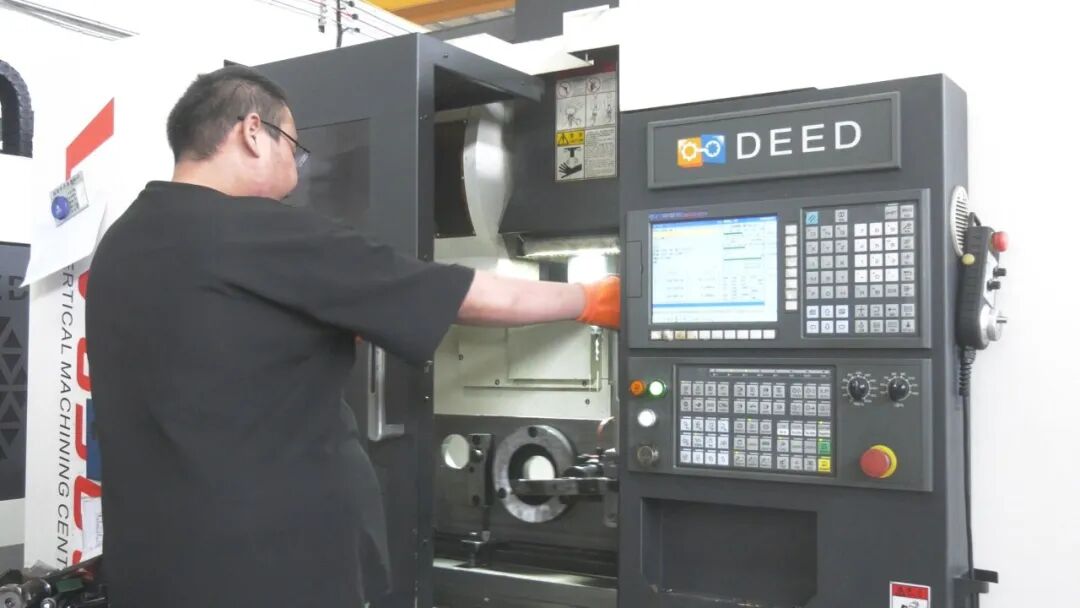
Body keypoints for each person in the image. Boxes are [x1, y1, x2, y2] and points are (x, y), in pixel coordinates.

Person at [85, 65, 620, 608]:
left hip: (150, 570)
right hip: (269, 575)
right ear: (252, 132)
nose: (295, 176)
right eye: (294, 149)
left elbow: (215, 353)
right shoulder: (263, 232)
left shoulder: (122, 244)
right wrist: (589, 299)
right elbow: (465, 296)